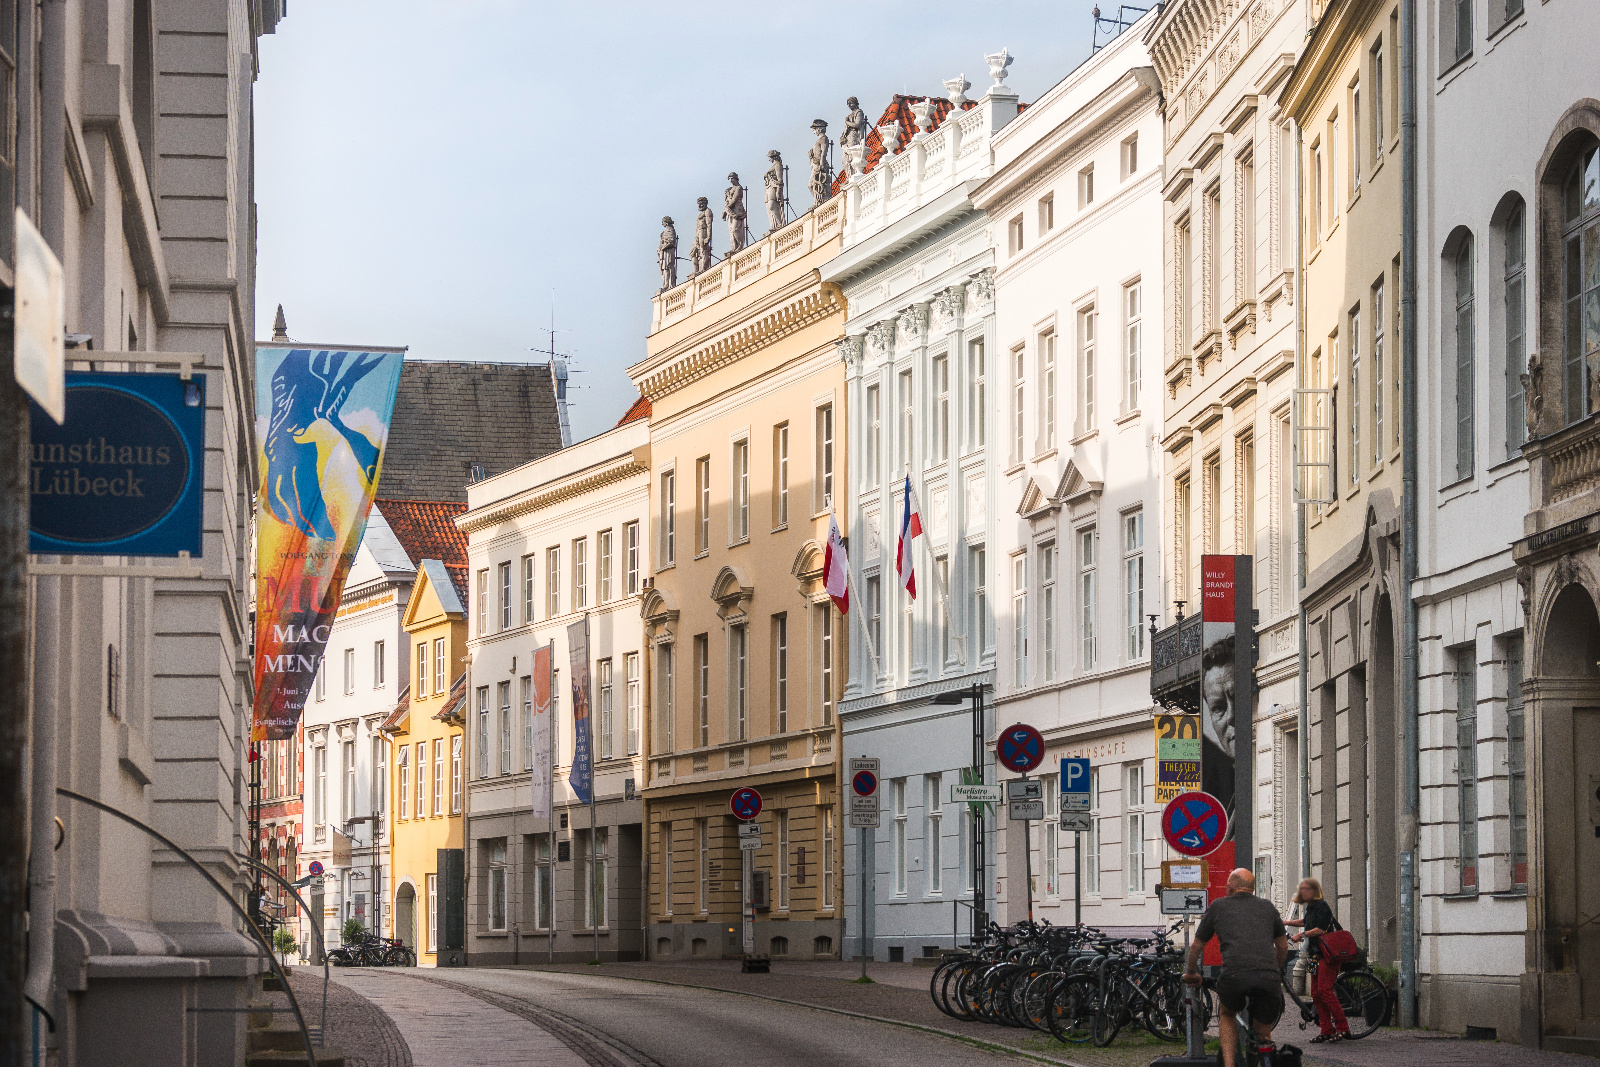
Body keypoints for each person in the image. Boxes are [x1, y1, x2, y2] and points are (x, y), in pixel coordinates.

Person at [1185, 868, 1289, 1067]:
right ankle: (1265, 1056)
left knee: (1227, 1013)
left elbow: (1197, 945)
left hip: (1234, 975)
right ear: (1251, 889)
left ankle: (1230, 1064)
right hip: (1268, 977)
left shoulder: (1218, 906)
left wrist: (1191, 973)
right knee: (1263, 1031)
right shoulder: (1268, 907)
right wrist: (1275, 969)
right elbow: (1283, 945)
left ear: (1230, 886)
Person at [1286, 877, 1350, 1042]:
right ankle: (1326, 1029)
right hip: (1315, 954)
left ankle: (1343, 1028)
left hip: (1327, 955)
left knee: (1325, 991)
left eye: (1306, 889)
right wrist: (1286, 922)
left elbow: (1320, 929)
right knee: (1315, 993)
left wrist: (1303, 934)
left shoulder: (1321, 906)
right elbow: (1305, 922)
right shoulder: (1311, 907)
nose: (1303, 892)